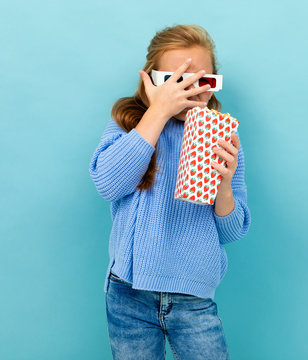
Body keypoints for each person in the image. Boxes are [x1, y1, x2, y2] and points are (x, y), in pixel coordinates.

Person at [88, 24, 251, 360]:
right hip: (129, 292)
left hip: (193, 296)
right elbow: (108, 183)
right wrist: (158, 111)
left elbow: (232, 232)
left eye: (202, 80)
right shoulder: (130, 125)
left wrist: (224, 185)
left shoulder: (222, 139)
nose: (188, 91)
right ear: (150, 82)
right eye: (175, 81)